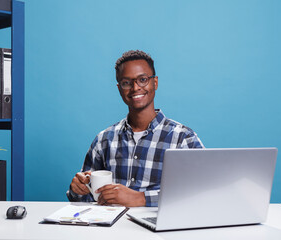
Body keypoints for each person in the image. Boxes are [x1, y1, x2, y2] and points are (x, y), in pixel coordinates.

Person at [67, 50, 204, 207]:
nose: (135, 87)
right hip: (110, 229)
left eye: (143, 79)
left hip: (158, 228)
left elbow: (203, 191)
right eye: (126, 82)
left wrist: (141, 198)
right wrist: (78, 190)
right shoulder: (104, 140)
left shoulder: (183, 139)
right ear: (119, 88)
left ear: (155, 82)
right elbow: (86, 201)